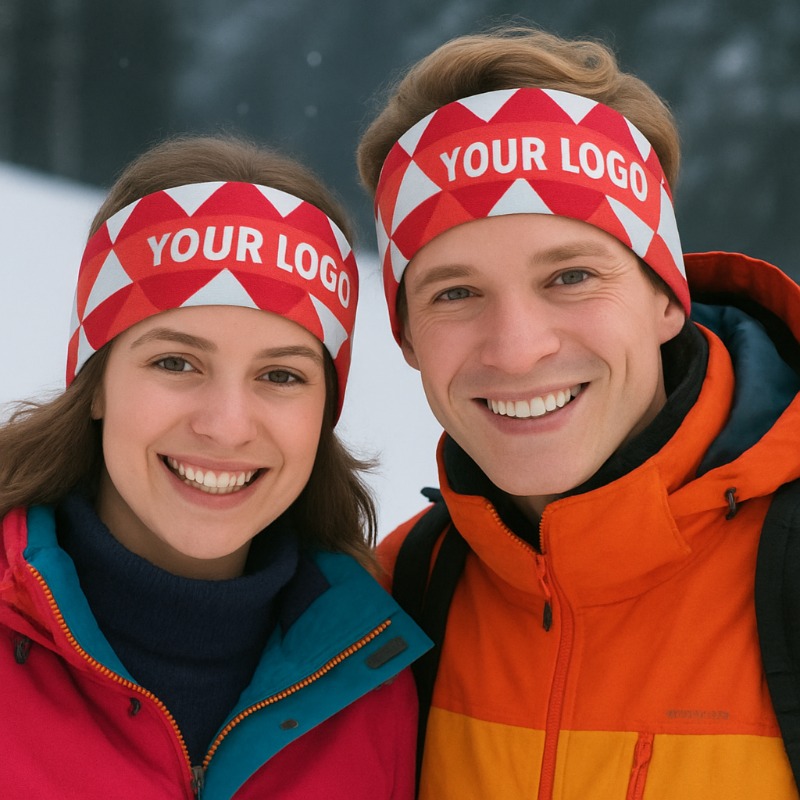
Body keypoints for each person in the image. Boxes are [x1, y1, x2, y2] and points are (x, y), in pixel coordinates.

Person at [356, 25, 800, 800]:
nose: (518, 349)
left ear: (667, 298)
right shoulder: (399, 600)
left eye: (570, 276)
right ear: (408, 339)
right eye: (455, 293)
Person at [0, 134, 430, 799]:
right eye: (176, 362)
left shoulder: (377, 679)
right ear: (99, 383)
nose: (226, 424)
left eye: (280, 374)